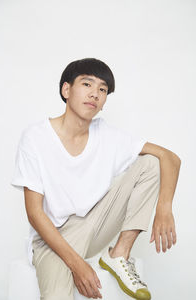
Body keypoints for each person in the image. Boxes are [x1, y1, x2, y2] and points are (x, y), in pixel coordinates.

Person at [11, 58, 181, 300]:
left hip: (94, 226)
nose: (95, 94)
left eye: (102, 89)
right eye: (87, 84)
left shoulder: (107, 135)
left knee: (150, 162)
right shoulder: (35, 137)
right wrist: (77, 265)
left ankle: (119, 254)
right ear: (66, 90)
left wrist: (164, 208)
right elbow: (34, 213)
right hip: (52, 240)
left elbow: (170, 157)